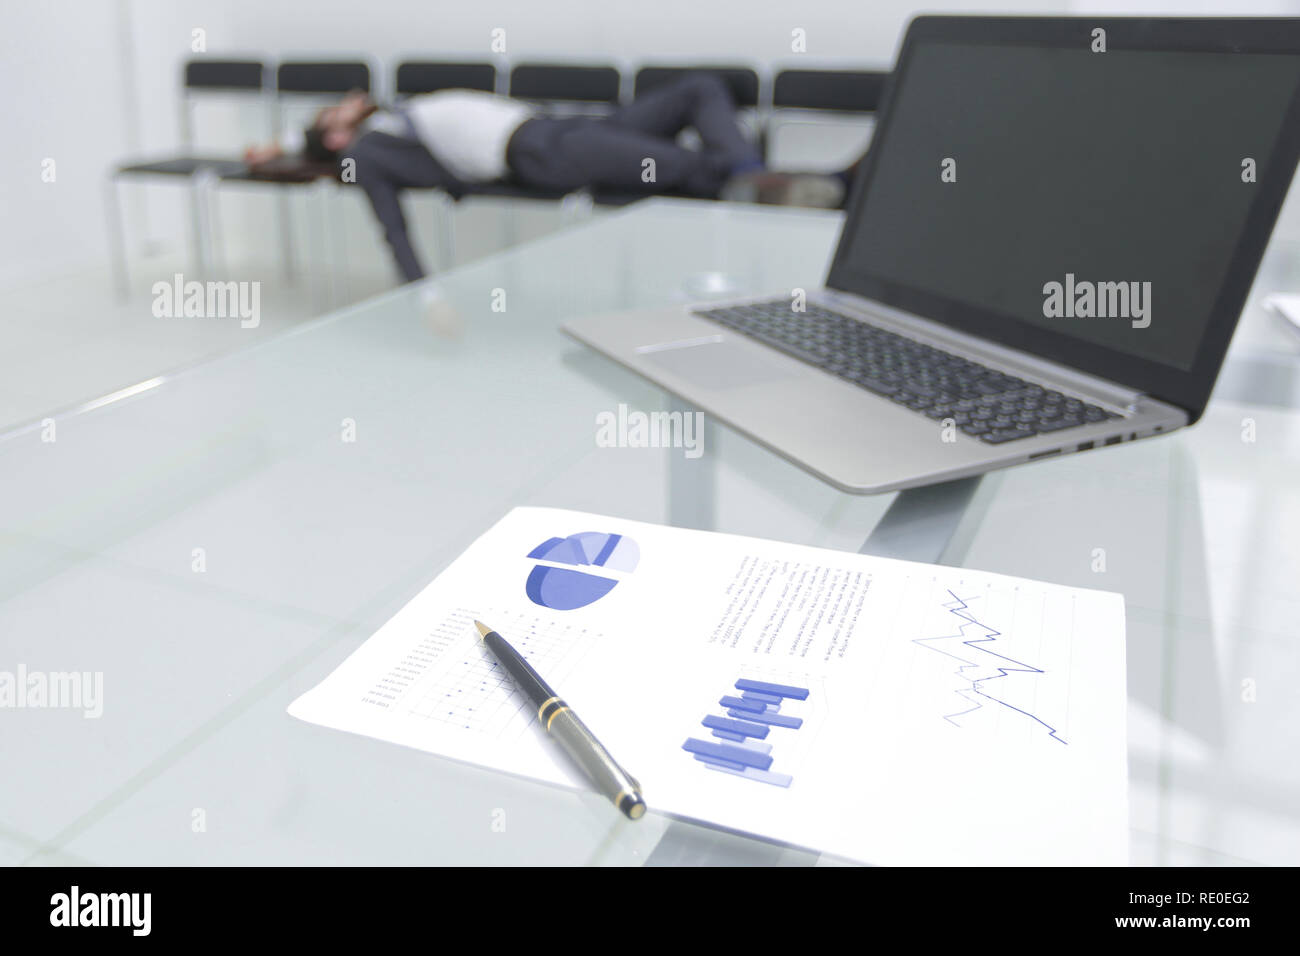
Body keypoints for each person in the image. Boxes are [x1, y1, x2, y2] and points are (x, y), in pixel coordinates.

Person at [246, 75, 847, 283]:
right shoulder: (376, 149)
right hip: (542, 153)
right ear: (335, 137)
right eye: (338, 109)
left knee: (699, 91)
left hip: (562, 126)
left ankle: (751, 177)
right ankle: (805, 185)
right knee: (677, 165)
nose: (352, 97)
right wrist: (423, 296)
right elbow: (391, 227)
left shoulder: (398, 112)